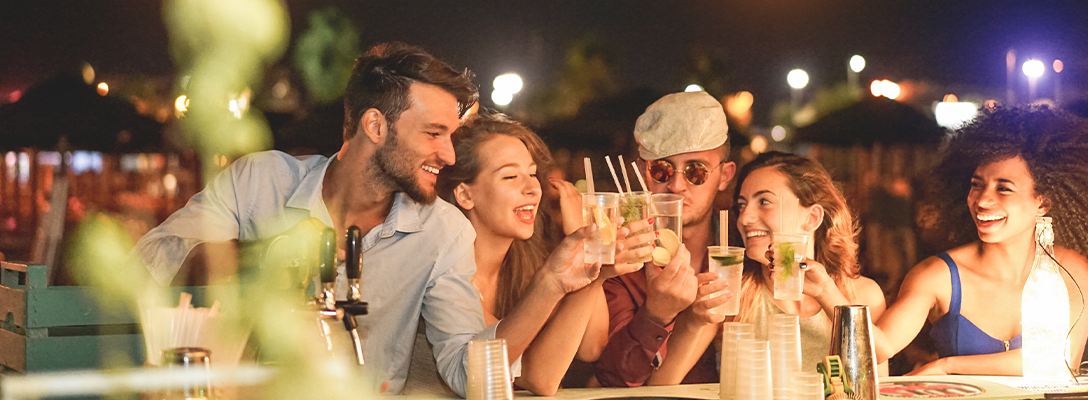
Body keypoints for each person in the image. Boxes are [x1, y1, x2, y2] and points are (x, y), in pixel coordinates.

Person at [131, 42, 489, 396]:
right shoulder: (260, 183)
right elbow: (149, 262)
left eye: (451, 136)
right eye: (434, 133)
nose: (450, 155)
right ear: (376, 126)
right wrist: (260, 257)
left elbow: (466, 370)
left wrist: (548, 282)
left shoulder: (444, 232)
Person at [854, 106, 1088, 375]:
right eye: (977, 184)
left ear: (1043, 203)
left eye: (1003, 188)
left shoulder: (1072, 270)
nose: (982, 200)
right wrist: (826, 290)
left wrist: (949, 366)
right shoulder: (937, 275)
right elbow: (881, 347)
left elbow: (1059, 362)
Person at [434, 115, 647, 395]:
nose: (533, 188)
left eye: (532, 174)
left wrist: (594, 263)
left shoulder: (528, 262)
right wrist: (559, 279)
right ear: (464, 195)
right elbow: (538, 378)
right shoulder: (445, 275)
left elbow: (591, 345)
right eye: (510, 176)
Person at [594, 91, 738, 387]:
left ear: (725, 175)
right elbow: (612, 381)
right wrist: (655, 316)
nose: (676, 185)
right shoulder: (621, 257)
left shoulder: (742, 249)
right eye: (662, 169)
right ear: (646, 173)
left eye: (696, 171)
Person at [732, 151, 886, 372]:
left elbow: (876, 378)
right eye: (741, 205)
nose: (744, 218)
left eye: (764, 201)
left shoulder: (863, 294)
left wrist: (826, 292)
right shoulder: (732, 295)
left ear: (812, 217)